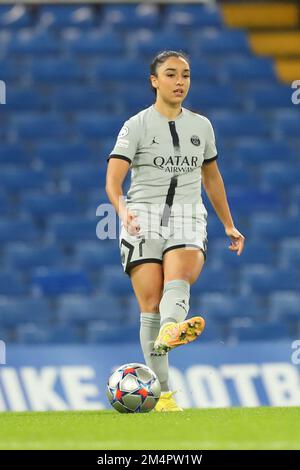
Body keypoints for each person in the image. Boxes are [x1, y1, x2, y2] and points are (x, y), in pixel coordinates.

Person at [106, 50, 245, 412]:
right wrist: (122, 209)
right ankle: (163, 393)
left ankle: (172, 327)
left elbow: (211, 178)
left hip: (188, 216)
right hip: (143, 216)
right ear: (154, 81)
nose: (179, 81)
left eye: (185, 75)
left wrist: (228, 224)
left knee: (178, 279)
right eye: (170, 74)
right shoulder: (135, 125)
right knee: (149, 304)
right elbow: (113, 179)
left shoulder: (202, 126)